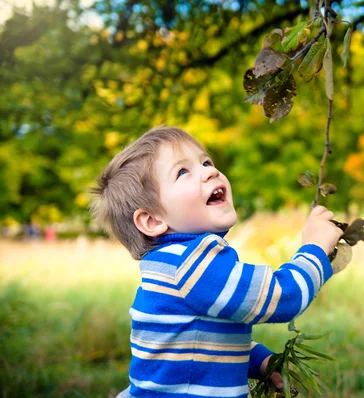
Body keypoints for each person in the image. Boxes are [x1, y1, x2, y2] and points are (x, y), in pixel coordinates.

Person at [90, 126, 345, 397]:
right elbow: (283, 297)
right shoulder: (192, 265)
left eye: (206, 162)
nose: (210, 171)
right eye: (182, 172)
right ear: (152, 220)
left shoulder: (170, 265)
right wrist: (315, 248)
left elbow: (198, 345)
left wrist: (259, 361)